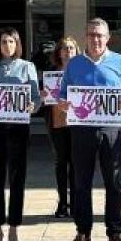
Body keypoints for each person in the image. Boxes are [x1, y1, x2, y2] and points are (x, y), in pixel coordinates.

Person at [57, 17, 121, 241]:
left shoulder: (120, 62)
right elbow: (63, 93)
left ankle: (114, 233)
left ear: (108, 37)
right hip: (82, 130)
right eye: (91, 34)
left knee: (113, 182)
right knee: (81, 182)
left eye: (100, 35)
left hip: (111, 129)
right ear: (85, 37)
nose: (96, 39)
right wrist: (63, 104)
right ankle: (83, 231)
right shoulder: (74, 64)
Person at [0, 27, 41, 241]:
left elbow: (36, 98)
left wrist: (33, 105)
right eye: (4, 42)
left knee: (17, 179)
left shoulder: (27, 67)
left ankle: (14, 227)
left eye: (12, 42)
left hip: (18, 129)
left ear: (17, 44)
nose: (8, 46)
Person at [44, 37, 78, 219]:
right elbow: (42, 98)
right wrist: (42, 95)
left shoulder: (81, 71)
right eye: (64, 48)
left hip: (76, 123)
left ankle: (74, 202)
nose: (68, 51)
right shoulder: (51, 72)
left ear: (76, 51)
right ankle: (62, 202)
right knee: (60, 162)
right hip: (56, 122)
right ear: (58, 52)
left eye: (71, 48)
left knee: (75, 163)